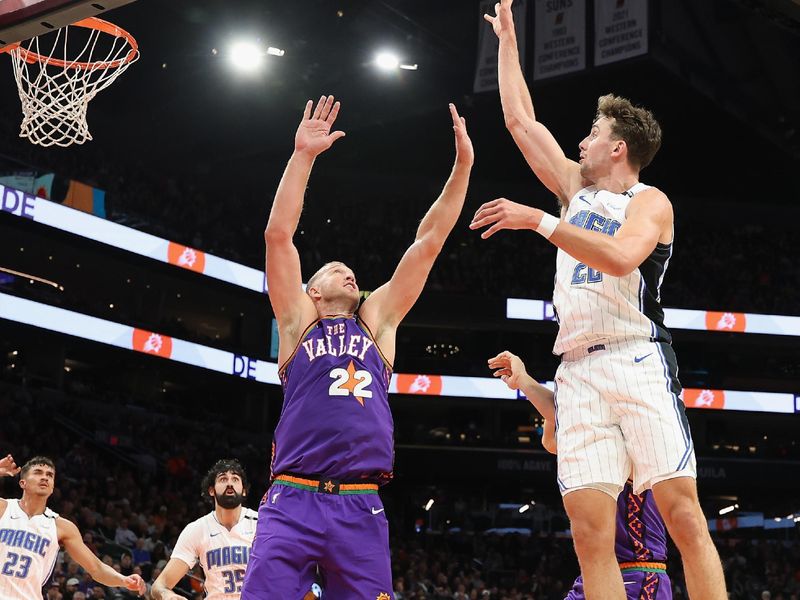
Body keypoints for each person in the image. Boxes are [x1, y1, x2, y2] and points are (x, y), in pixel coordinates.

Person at [473, 2, 727, 598]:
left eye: (592, 135)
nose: (581, 142)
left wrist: (537, 220)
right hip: (578, 368)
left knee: (683, 515)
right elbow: (518, 120)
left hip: (635, 357)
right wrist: (508, 42)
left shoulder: (650, 201)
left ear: (618, 149)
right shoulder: (573, 188)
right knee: (590, 535)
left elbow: (619, 259)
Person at [240, 95, 473, 600]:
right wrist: (302, 157)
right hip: (292, 497)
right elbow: (278, 236)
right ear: (312, 290)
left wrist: (462, 169)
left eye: (351, 271)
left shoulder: (379, 321)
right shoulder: (297, 321)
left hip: (360, 503)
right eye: (332, 269)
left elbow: (428, 241)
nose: (348, 271)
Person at [489, 351, 672, 599]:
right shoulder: (598, 441)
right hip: (596, 574)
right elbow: (558, 427)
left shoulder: (636, 440)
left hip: (639, 576)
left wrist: (532, 387)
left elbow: (558, 429)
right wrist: (523, 380)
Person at [0, 455, 145, 598]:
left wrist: (123, 580)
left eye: (50, 475)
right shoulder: (3, 508)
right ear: (22, 483)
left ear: (52, 487)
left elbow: (96, 568)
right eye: (38, 473)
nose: (45, 477)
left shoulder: (62, 526)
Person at [151, 459, 257, 600]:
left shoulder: (262, 524)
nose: (230, 483)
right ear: (211, 490)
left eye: (235, 479)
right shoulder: (197, 529)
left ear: (244, 491)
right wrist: (167, 596)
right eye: (223, 479)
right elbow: (159, 585)